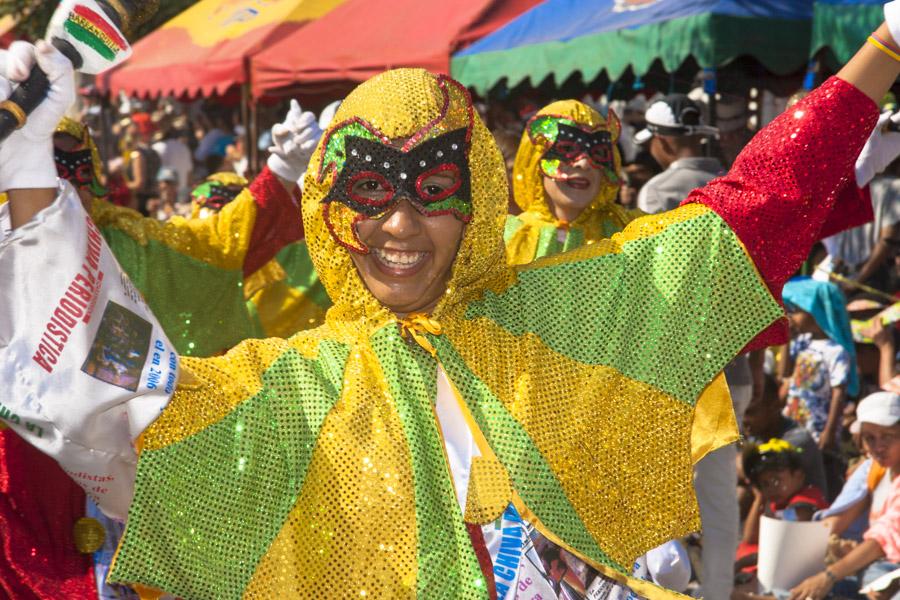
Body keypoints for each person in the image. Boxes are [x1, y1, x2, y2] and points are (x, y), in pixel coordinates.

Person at [1, 12, 898, 597]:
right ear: (329, 207)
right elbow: (117, 405)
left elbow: (748, 216)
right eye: (368, 189)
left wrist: (883, 49)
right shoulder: (296, 387)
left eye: (433, 187)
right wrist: (31, 178)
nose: (400, 223)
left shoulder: (560, 316)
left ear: (474, 195)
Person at [0, 101, 320, 600]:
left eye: (71, 168)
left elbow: (218, 246)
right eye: (38, 165)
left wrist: (278, 174)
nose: (60, 186)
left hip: (140, 484)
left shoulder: (134, 246)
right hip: (26, 490)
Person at [634, 91, 753, 600]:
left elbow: (652, 289)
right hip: (736, 366)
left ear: (662, 142)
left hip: (674, 370)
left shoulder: (658, 193)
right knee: (719, 496)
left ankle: (665, 590)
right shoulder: (736, 186)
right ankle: (719, 592)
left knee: (657, 488)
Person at [504, 100, 643, 266]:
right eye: (567, 150)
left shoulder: (631, 232)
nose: (583, 164)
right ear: (536, 161)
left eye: (596, 152)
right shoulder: (506, 239)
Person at [791, 391, 900, 600]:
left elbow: (881, 541)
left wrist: (828, 576)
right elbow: (834, 524)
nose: (878, 447)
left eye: (888, 436)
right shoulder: (874, 470)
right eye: (870, 438)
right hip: (876, 570)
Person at [780, 278, 859, 449]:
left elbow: (839, 393)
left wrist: (829, 431)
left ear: (817, 311)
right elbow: (784, 373)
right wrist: (786, 339)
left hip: (817, 427)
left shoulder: (836, 351)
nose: (791, 316)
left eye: (796, 311)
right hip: (793, 421)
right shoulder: (802, 342)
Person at [736, 439, 828, 574]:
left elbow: (785, 550)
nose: (771, 488)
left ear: (798, 476)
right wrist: (759, 499)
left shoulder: (802, 505)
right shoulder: (778, 503)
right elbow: (750, 539)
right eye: (764, 484)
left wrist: (742, 563)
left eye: (776, 480)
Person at [743, 375, 828, 494]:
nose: (744, 419)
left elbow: (756, 468)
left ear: (774, 406)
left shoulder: (798, 439)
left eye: (750, 412)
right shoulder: (756, 435)